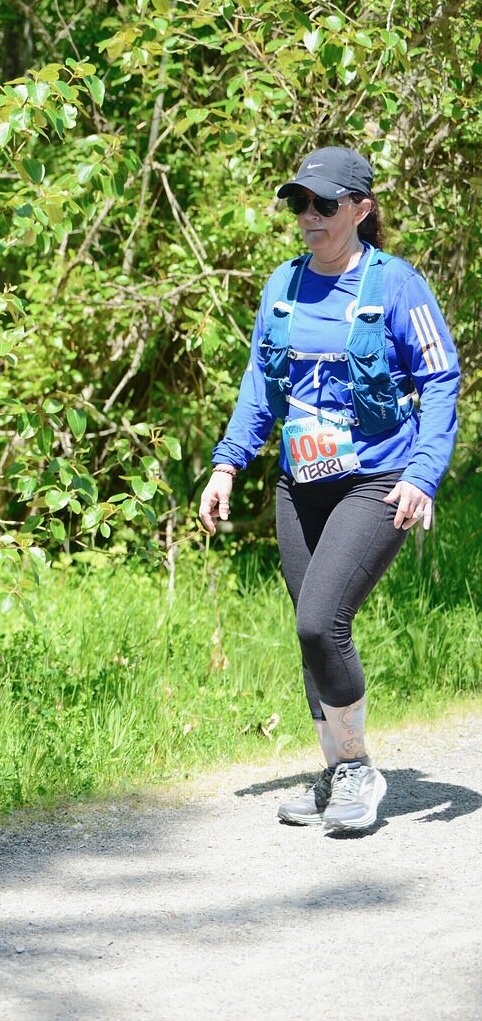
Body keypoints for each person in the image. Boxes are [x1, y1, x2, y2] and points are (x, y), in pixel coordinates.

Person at [199, 146, 460, 832]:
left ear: (361, 209)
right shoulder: (283, 285)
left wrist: (423, 474)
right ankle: (339, 770)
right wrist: (227, 465)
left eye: (324, 203)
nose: (308, 215)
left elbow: (439, 379)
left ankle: (357, 771)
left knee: (321, 621)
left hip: (378, 479)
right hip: (300, 485)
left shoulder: (396, 285)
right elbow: (260, 386)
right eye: (298, 203)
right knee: (310, 635)